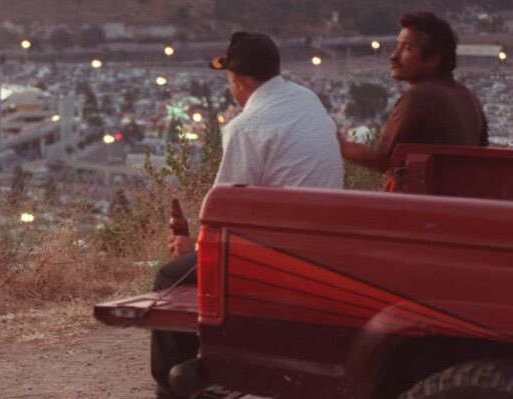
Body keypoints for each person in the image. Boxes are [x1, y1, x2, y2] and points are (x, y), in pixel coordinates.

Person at [151, 32, 345, 399]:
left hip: (282, 253)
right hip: (322, 240)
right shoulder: (306, 100)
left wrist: (194, 245)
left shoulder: (246, 127)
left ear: (237, 80)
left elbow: (223, 212)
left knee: (169, 277)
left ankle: (171, 386)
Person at [338, 12, 487, 188]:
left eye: (407, 48)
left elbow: (381, 159)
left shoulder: (418, 98)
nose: (393, 56)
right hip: (456, 207)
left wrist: (336, 142)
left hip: (420, 208)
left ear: (433, 59)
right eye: (397, 46)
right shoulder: (470, 98)